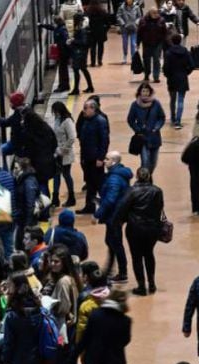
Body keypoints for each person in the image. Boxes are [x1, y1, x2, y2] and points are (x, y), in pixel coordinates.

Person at [43, 244, 80, 364]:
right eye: (51, 261)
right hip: (69, 330)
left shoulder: (63, 282)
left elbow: (64, 307)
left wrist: (48, 303)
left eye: (56, 261)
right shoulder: (69, 279)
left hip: (64, 330)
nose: (52, 264)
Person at [1, 274, 47, 364]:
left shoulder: (12, 315)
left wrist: (5, 360)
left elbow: (8, 342)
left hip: (18, 360)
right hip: (36, 358)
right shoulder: (39, 309)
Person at [116, 167, 163, 295]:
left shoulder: (131, 191)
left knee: (136, 257)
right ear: (149, 177)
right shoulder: (157, 191)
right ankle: (152, 283)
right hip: (152, 228)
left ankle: (141, 286)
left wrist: (121, 221)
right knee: (149, 254)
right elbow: (159, 208)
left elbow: (122, 209)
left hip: (134, 228)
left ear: (137, 177)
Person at [96, 151, 132, 282]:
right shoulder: (117, 174)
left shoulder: (114, 178)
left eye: (107, 159)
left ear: (114, 162)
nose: (104, 161)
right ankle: (110, 269)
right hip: (116, 215)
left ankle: (122, 273)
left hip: (114, 216)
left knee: (115, 243)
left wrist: (98, 214)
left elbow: (110, 199)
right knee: (111, 242)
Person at [77, 99, 109, 214]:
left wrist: (100, 158)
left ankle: (107, 205)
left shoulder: (100, 121)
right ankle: (89, 206)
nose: (84, 110)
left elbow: (104, 141)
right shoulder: (87, 120)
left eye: (86, 108)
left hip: (95, 159)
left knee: (99, 184)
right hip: (88, 157)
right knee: (90, 183)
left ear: (93, 109)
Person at [126, 83, 166, 172]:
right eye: (143, 91)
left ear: (150, 92)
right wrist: (138, 129)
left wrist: (157, 127)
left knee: (153, 162)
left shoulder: (156, 103)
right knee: (145, 162)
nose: (145, 93)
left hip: (155, 137)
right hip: (143, 137)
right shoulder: (135, 105)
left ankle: (147, 178)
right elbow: (130, 119)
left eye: (147, 91)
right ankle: (145, 181)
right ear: (139, 92)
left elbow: (162, 117)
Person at [162, 34, 194, 130]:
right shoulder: (185, 52)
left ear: (172, 41)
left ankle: (172, 117)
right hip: (182, 77)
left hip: (172, 78)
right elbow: (192, 65)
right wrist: (186, 73)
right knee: (181, 100)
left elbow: (166, 68)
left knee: (172, 99)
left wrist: (168, 75)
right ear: (180, 41)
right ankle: (178, 120)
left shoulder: (168, 53)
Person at [52, 101, 77, 207]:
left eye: (56, 111)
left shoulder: (67, 121)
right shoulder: (57, 120)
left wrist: (64, 149)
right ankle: (55, 198)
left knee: (66, 175)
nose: (55, 113)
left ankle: (71, 197)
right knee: (56, 175)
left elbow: (72, 137)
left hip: (65, 154)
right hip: (57, 153)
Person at [13, 161, 41, 251]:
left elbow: (30, 204)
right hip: (23, 218)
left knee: (23, 244)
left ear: (22, 169)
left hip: (27, 220)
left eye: (16, 168)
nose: (14, 170)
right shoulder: (23, 179)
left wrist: (28, 224)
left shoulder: (28, 181)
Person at [40, 16, 71, 92]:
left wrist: (60, 47)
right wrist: (42, 25)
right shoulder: (60, 28)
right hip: (62, 52)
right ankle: (65, 85)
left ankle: (62, 86)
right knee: (63, 69)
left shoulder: (62, 30)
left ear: (57, 22)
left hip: (63, 53)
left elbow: (65, 41)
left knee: (62, 70)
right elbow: (51, 27)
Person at [138, 8, 168, 83]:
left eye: (157, 13)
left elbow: (165, 32)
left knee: (156, 60)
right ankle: (146, 75)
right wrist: (138, 42)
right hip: (146, 43)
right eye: (154, 13)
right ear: (150, 13)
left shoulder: (161, 20)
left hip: (158, 43)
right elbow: (139, 32)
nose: (156, 15)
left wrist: (165, 43)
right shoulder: (143, 20)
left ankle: (156, 77)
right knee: (146, 60)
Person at [69, 13, 94, 94]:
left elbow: (83, 42)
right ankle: (90, 87)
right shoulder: (82, 28)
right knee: (84, 69)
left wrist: (73, 41)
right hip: (82, 52)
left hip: (79, 53)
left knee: (76, 70)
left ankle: (76, 89)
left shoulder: (81, 30)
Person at [117, 0, 142, 65]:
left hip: (133, 28)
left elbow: (139, 17)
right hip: (125, 28)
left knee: (133, 44)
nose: (129, 0)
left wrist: (136, 23)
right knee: (125, 43)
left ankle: (133, 58)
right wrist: (123, 23)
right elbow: (118, 16)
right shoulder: (121, 7)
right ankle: (124, 56)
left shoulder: (136, 7)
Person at [86, 1, 109, 67]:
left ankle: (93, 62)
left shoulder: (88, 12)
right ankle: (99, 61)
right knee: (101, 47)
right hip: (101, 32)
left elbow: (86, 22)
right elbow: (108, 23)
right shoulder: (103, 11)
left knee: (92, 47)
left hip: (92, 32)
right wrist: (105, 30)